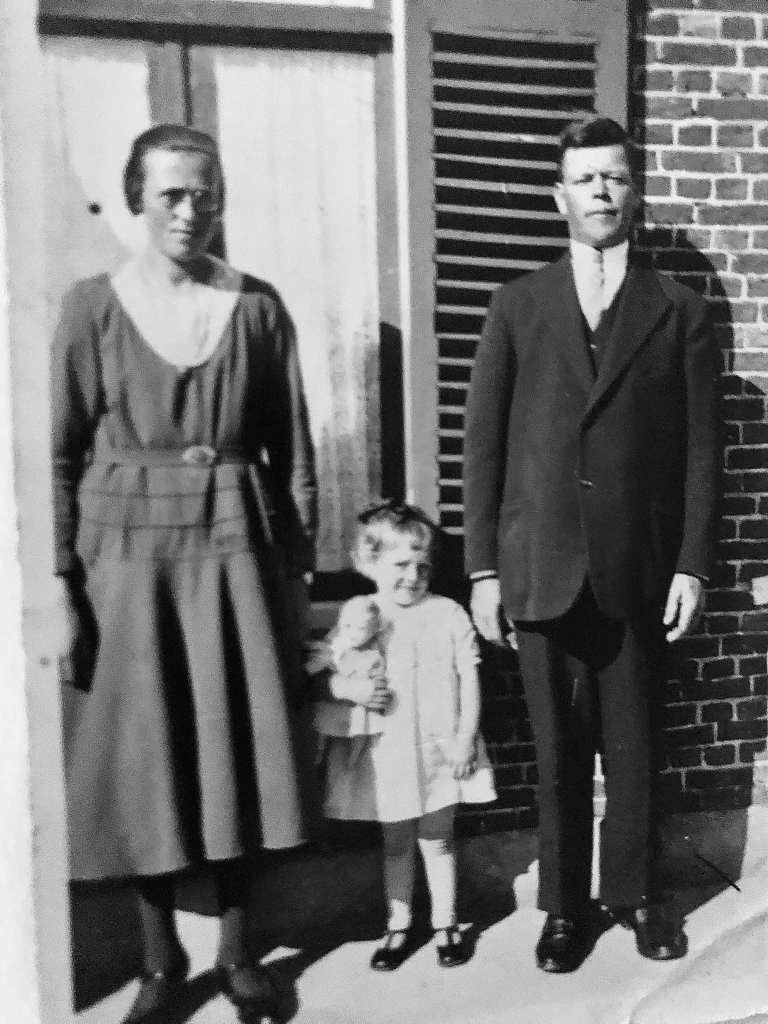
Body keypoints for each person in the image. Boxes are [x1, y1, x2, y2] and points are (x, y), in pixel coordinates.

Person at [51, 124, 318, 1023]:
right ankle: (161, 962)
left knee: (238, 743)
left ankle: (239, 954)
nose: (190, 210)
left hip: (238, 546)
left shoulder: (257, 306)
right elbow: (55, 453)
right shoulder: (92, 307)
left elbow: (294, 450)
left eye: (206, 193)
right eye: (171, 193)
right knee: (148, 754)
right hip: (126, 558)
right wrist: (58, 579)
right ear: (137, 198)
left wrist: (298, 571)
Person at [463, 115, 718, 973]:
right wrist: (484, 568)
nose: (601, 191)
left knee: (637, 747)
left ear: (634, 192)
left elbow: (702, 450)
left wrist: (690, 565)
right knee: (559, 755)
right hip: (540, 567)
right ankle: (565, 908)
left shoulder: (679, 311)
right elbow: (483, 445)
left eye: (615, 176)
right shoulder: (518, 305)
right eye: (585, 178)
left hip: (635, 568)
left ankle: (639, 896)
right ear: (559, 196)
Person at [318, 501, 497, 971]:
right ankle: (398, 925)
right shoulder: (362, 614)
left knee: (438, 839)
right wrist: (349, 688)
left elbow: (470, 678)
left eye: (422, 566)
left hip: (442, 748)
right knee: (396, 843)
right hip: (389, 751)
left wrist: (466, 738)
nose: (413, 576)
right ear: (369, 562)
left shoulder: (448, 613)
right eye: (400, 564)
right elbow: (326, 670)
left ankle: (446, 924)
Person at [310, 594, 389, 767]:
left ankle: (354, 758)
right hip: (335, 701)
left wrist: (375, 685)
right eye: (347, 626)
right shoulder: (337, 643)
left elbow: (379, 680)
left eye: (361, 629)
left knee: (361, 730)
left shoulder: (373, 653)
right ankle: (318, 754)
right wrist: (324, 662)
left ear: (373, 630)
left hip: (360, 705)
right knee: (323, 725)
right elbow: (318, 665)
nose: (353, 633)